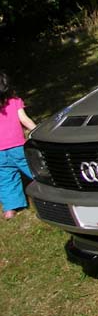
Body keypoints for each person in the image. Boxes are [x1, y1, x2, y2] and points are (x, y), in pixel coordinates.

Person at [0, 71, 36, 220]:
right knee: (34, 169)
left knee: (6, 178)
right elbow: (25, 120)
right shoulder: (15, 101)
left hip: (0, 152)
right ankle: (51, 191)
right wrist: (37, 131)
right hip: (18, 147)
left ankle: (10, 209)